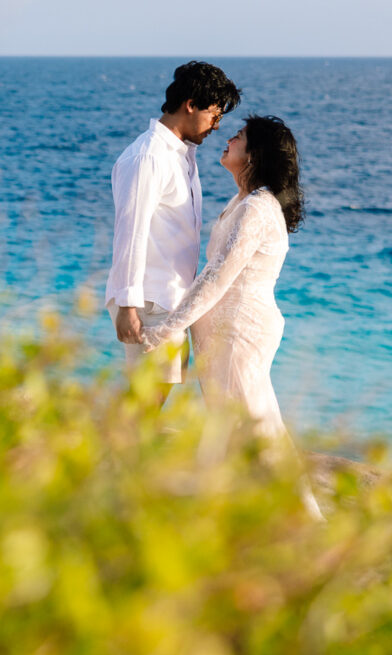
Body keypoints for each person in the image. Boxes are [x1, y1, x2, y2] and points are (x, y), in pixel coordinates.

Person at [133, 115, 324, 520]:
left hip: (238, 332)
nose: (228, 139)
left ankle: (297, 520)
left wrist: (169, 326)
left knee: (251, 424)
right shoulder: (242, 201)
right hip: (223, 333)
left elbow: (219, 274)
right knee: (235, 424)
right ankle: (253, 515)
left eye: (238, 137)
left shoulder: (257, 208)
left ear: (254, 155)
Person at [106, 61, 241, 403]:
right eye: (215, 113)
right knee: (145, 402)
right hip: (150, 300)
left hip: (170, 297)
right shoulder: (148, 157)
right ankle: (110, 455)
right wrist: (128, 304)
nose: (217, 124)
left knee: (151, 399)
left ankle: (116, 454)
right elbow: (131, 231)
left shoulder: (182, 154)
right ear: (190, 105)